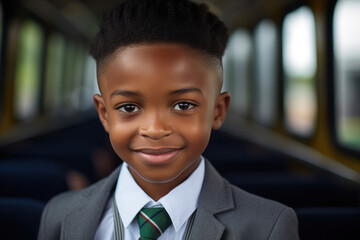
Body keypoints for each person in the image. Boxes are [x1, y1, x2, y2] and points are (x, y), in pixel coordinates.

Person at [38, 0, 299, 239]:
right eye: (129, 107)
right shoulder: (59, 215)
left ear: (218, 111)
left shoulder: (268, 226)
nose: (155, 129)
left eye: (183, 105)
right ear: (104, 115)